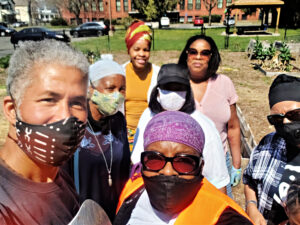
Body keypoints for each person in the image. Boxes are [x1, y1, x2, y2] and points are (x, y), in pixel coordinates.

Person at [0, 40, 89, 224]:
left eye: (77, 103)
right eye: (48, 100)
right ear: (11, 109)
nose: (66, 116)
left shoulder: (55, 174)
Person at [114, 111, 253, 225]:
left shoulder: (227, 218)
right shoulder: (133, 190)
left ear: (200, 166)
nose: (168, 171)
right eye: (155, 160)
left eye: (183, 162)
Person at [131, 63, 229, 192]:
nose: (173, 94)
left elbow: (217, 180)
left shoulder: (203, 125)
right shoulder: (147, 115)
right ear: (158, 91)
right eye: (167, 87)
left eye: (178, 88)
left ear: (187, 92)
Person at [63, 59, 131, 222]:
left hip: (113, 213)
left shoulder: (118, 121)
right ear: (90, 89)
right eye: (110, 88)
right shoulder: (73, 123)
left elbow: (124, 168)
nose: (117, 95)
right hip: (81, 215)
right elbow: (62, 179)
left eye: (122, 89)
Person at [178, 35, 242, 197]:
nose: (198, 56)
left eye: (204, 53)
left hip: (220, 163)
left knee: (219, 214)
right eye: (193, 52)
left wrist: (236, 164)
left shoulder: (224, 83)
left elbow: (233, 127)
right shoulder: (176, 84)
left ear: (212, 56)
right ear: (186, 55)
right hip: (184, 165)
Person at [243, 74, 300, 225]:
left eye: (294, 115)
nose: (286, 123)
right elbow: (249, 180)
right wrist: (252, 208)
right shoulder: (268, 144)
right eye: (277, 119)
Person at [123, 20, 160, 151]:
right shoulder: (120, 73)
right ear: (129, 50)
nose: (142, 54)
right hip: (125, 134)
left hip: (151, 133)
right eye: (136, 49)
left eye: (146, 50)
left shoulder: (158, 73)